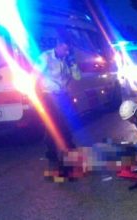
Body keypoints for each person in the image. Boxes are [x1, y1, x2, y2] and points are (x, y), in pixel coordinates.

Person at [37, 38, 82, 182]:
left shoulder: (67, 60)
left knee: (60, 126)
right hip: (48, 96)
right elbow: (34, 74)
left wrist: (73, 64)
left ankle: (56, 154)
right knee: (60, 127)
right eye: (64, 49)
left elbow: (77, 77)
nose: (66, 52)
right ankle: (63, 161)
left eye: (68, 50)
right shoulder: (46, 57)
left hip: (62, 96)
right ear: (57, 46)